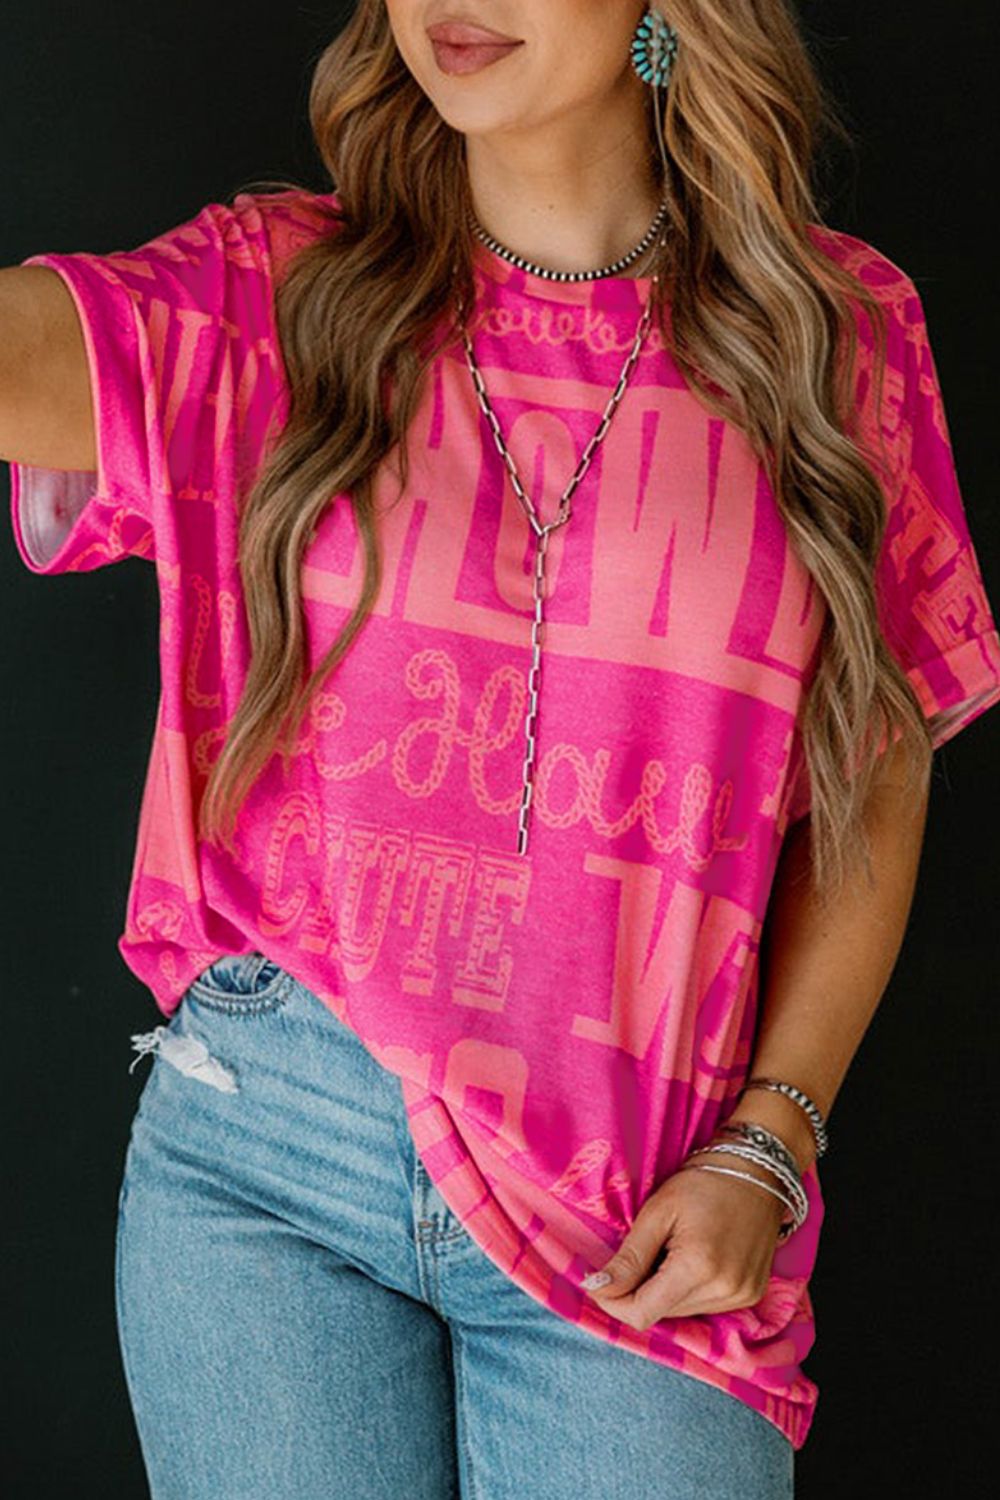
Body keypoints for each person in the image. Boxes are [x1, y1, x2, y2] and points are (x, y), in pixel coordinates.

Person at [2, 3, 999, 1496]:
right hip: (270, 1153)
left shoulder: (835, 332)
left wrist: (772, 1139)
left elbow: (877, 772)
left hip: (644, 1195)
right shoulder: (278, 291)